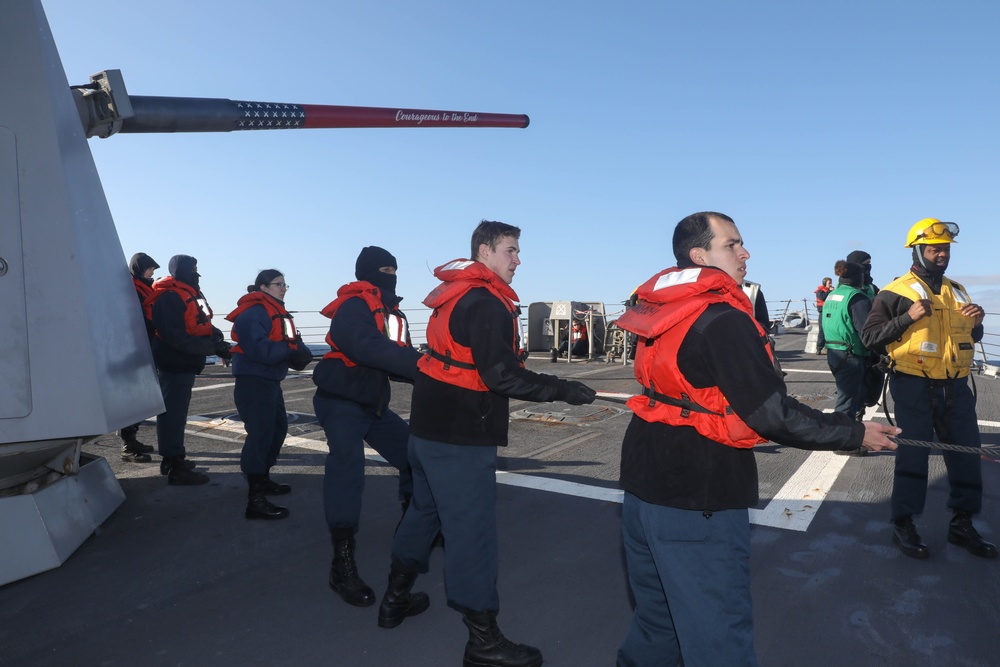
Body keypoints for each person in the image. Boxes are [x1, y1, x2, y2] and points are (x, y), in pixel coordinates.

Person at [614, 212, 899, 666]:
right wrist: (854, 432)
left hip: (643, 490)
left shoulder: (665, 313)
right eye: (733, 245)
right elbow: (772, 414)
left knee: (656, 626)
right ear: (699, 256)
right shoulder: (722, 319)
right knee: (718, 637)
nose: (745, 253)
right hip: (699, 498)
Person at [380, 220, 596, 667]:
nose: (518, 259)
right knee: (471, 536)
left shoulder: (457, 295)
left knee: (423, 514)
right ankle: (483, 640)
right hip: (459, 439)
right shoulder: (486, 303)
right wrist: (563, 389)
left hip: (425, 432)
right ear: (485, 251)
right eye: (511, 251)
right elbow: (503, 376)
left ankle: (394, 599)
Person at [861, 218, 997, 560]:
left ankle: (961, 524)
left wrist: (977, 323)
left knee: (966, 454)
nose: (941, 255)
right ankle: (903, 525)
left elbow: (971, 338)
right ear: (918, 251)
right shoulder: (896, 292)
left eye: (945, 249)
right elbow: (870, 337)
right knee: (913, 456)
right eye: (934, 249)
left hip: (956, 388)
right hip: (913, 386)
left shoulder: (958, 291)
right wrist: (907, 318)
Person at [313, 247, 421, 607]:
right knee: (347, 470)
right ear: (367, 274)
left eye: (394, 268)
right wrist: (421, 366)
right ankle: (340, 565)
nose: (391, 274)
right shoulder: (353, 306)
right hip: (340, 401)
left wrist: (436, 372)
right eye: (384, 269)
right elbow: (366, 347)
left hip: (372, 404)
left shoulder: (388, 311)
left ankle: (414, 531)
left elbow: (391, 360)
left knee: (414, 457)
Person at [226, 270, 313, 521]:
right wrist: (289, 351)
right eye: (278, 284)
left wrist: (300, 354)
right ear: (263, 287)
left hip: (270, 381)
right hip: (254, 381)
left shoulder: (280, 314)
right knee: (261, 433)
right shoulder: (252, 313)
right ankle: (255, 500)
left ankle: (262, 479)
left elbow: (295, 342)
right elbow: (260, 350)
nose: (283, 288)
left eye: (285, 284)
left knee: (277, 429)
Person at [146, 255, 231, 486]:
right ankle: (175, 464)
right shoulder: (169, 297)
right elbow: (175, 337)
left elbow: (200, 322)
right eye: (191, 268)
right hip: (174, 362)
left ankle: (172, 458)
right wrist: (210, 347)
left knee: (176, 412)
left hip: (184, 361)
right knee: (172, 414)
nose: (196, 273)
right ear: (179, 271)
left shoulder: (188, 294)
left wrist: (216, 338)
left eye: (196, 268)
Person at [118, 252, 160, 463]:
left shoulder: (143, 289)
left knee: (140, 397)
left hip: (145, 348)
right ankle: (127, 444)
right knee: (131, 398)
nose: (151, 273)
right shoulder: (131, 289)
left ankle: (132, 439)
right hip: (133, 349)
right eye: (149, 269)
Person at [822, 261, 875, 420]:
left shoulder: (832, 295)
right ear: (859, 278)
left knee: (847, 396)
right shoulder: (857, 298)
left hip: (834, 352)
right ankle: (843, 438)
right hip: (851, 355)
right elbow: (867, 332)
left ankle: (848, 433)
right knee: (848, 401)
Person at [814, 276, 833, 353]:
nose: (831, 284)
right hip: (823, 312)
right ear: (825, 283)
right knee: (822, 330)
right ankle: (819, 347)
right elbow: (823, 298)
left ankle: (829, 347)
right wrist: (829, 291)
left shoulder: (831, 291)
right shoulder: (820, 291)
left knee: (830, 329)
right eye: (829, 283)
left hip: (830, 312)